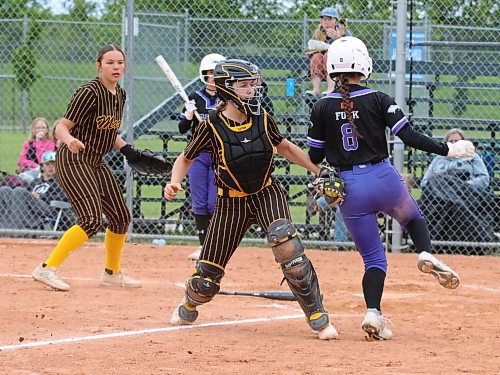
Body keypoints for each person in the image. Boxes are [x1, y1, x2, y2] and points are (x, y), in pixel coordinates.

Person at [307, 36, 473, 340]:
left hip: (349, 189)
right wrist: (447, 150)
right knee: (412, 219)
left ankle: (373, 313)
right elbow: (409, 136)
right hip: (383, 177)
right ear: (362, 64)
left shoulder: (321, 107)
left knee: (373, 260)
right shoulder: (379, 98)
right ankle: (424, 252)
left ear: (332, 69)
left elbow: (314, 156)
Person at [164, 59, 338, 340]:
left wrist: (318, 170)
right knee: (206, 279)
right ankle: (189, 304)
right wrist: (174, 182)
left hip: (265, 193)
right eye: (244, 86)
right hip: (231, 202)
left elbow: (284, 147)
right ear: (227, 89)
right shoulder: (211, 126)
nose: (252, 90)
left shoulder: (262, 118)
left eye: (253, 85)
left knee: (287, 246)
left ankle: (317, 314)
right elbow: (185, 159)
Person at [32, 44, 146, 291]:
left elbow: (109, 131)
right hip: (74, 158)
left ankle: (112, 274)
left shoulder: (120, 94)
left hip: (95, 160)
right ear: (98, 66)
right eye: (109, 62)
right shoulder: (88, 92)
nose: (116, 67)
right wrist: (70, 139)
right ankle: (46, 268)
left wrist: (127, 150)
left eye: (119, 62)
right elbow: (60, 127)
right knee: (91, 219)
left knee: (120, 217)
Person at [178, 53, 225, 260]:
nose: (212, 78)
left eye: (216, 74)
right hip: (197, 155)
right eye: (209, 74)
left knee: (214, 202)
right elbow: (182, 128)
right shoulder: (194, 98)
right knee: (199, 202)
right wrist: (188, 115)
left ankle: (215, 245)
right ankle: (203, 247)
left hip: (219, 155)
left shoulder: (227, 99)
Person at [418, 128, 494, 251]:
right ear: (446, 143)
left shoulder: (472, 157)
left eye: (457, 141)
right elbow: (425, 183)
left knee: (443, 181)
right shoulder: (438, 158)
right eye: (451, 141)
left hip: (466, 196)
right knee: (438, 181)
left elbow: (484, 179)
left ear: (464, 142)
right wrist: (444, 184)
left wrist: (459, 186)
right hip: (439, 198)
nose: (454, 144)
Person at [0, 151, 68, 230]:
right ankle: (3, 226)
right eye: (48, 164)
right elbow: (24, 196)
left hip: (46, 208)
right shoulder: (36, 181)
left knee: (19, 191)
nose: (51, 167)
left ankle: (16, 229)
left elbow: (62, 197)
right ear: (42, 167)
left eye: (54, 164)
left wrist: (40, 196)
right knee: (4, 190)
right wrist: (30, 196)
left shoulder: (60, 182)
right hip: (29, 207)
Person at [305, 7, 352, 97]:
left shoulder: (343, 30)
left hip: (339, 61)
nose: (326, 22)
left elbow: (351, 47)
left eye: (330, 19)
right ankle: (316, 89)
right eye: (324, 19)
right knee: (316, 57)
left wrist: (338, 38)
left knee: (328, 55)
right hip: (321, 60)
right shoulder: (319, 31)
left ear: (336, 21)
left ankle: (331, 88)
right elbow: (313, 45)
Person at [1, 118, 56, 188]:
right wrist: (35, 165)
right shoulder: (28, 143)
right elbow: (21, 161)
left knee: (29, 179)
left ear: (47, 130)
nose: (40, 130)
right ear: (33, 130)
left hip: (42, 172)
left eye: (43, 128)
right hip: (29, 170)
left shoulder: (50, 143)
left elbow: (43, 160)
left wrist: (39, 142)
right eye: (38, 128)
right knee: (21, 177)